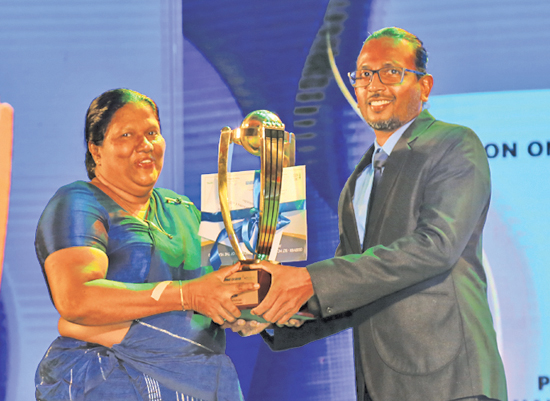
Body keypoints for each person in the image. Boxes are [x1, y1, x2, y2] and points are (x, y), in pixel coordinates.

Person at [235, 27, 508, 401]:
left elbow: (435, 247)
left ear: (424, 86)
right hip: (380, 386)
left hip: (450, 381)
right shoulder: (357, 182)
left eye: (390, 72)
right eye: (363, 74)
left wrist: (309, 280)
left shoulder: (454, 145)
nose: (373, 84)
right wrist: (271, 313)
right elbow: (353, 286)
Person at [34, 88, 257, 401]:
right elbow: (77, 299)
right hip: (111, 381)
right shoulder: (77, 203)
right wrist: (187, 295)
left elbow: (219, 287)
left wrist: (250, 306)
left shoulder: (181, 208)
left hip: (201, 381)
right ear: (96, 150)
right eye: (127, 134)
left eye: (152, 132)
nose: (145, 144)